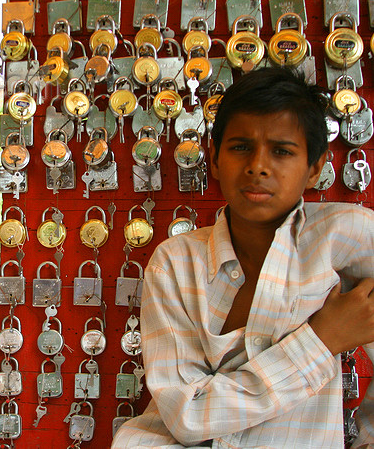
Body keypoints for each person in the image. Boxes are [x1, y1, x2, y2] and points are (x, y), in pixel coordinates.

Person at [112, 67, 374, 448]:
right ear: (215, 160)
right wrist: (323, 339)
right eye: (240, 147)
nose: (257, 166)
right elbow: (186, 415)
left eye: (282, 151)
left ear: (315, 168)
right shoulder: (175, 262)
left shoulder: (346, 236)